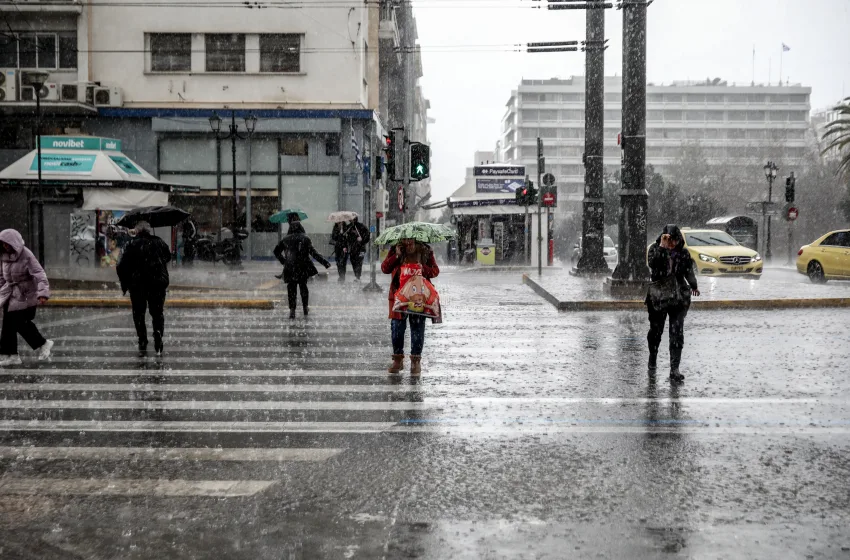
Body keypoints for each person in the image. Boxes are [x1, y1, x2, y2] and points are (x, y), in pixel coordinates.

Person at [645, 224, 700, 382]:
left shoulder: (683, 253)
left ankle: (674, 368)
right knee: (656, 331)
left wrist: (694, 285)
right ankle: (652, 358)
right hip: (658, 296)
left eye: (674, 240)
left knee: (677, 333)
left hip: (678, 297)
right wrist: (662, 247)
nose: (672, 243)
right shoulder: (655, 250)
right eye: (668, 239)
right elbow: (653, 264)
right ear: (663, 237)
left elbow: (688, 270)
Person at [381, 239, 439, 375]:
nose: (409, 244)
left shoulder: (425, 250)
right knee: (397, 328)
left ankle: (415, 361)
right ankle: (398, 359)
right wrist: (396, 255)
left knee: (417, 328)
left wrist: (422, 268)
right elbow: (385, 268)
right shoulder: (396, 248)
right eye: (406, 241)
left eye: (411, 241)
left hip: (419, 296)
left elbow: (435, 271)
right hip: (398, 296)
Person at [117, 221, 172, 356]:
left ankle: (142, 339)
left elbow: (121, 266)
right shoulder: (159, 242)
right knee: (157, 313)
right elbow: (168, 256)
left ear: (137, 230)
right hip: (157, 284)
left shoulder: (130, 245)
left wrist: (125, 283)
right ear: (148, 230)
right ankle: (158, 332)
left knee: (139, 313)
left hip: (137, 285)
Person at [0, 229, 53, 365]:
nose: (5, 246)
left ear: (14, 242)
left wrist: (43, 293)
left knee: (18, 322)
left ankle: (43, 343)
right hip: (10, 294)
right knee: (7, 324)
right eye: (3, 244)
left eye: (7, 244)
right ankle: (10, 355)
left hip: (26, 295)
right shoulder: (3, 256)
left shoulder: (26, 255)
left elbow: (39, 274)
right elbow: (2, 277)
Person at [274, 220, 331, 319]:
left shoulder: (285, 239)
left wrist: (284, 261)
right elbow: (314, 253)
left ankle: (292, 310)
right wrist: (325, 263)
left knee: (291, 289)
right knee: (303, 287)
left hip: (290, 267)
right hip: (303, 267)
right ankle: (305, 307)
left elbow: (276, 251)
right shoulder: (305, 239)